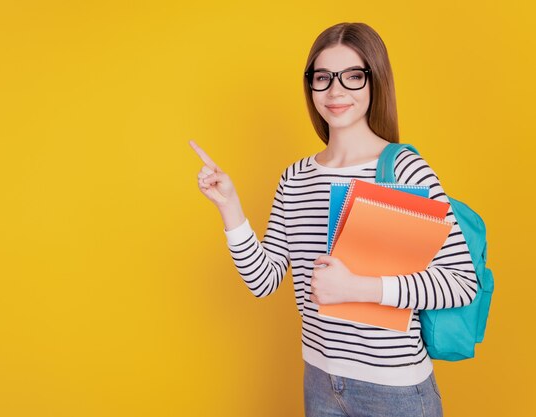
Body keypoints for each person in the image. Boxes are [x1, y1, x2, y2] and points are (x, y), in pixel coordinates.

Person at [189, 22, 477, 417]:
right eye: (322, 78)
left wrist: (360, 287)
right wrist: (230, 207)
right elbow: (263, 280)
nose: (335, 91)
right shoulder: (296, 178)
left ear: (375, 82)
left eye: (353, 76)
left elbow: (461, 284)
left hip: (394, 389)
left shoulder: (405, 170)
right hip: (320, 379)